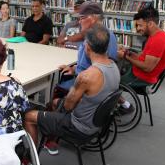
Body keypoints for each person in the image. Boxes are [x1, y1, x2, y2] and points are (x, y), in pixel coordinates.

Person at [24, 24, 120, 155]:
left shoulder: (86, 76)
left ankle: (29, 159)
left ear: (87, 47)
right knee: (54, 102)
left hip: (78, 127)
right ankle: (51, 138)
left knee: (29, 116)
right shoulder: (114, 67)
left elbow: (68, 106)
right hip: (97, 124)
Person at [53, 1, 118, 99]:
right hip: (88, 79)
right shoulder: (101, 35)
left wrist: (77, 73)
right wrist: (74, 68)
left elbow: (99, 70)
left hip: (88, 85)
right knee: (63, 75)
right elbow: (89, 64)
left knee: (56, 90)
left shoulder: (100, 38)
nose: (79, 22)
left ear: (92, 18)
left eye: (82, 18)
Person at [117, 6, 165, 113]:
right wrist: (128, 53)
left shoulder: (158, 41)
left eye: (140, 25)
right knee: (117, 69)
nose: (138, 29)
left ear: (150, 23)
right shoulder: (157, 35)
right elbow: (143, 57)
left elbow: (147, 68)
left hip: (142, 77)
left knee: (110, 83)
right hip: (141, 72)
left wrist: (125, 56)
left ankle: (126, 106)